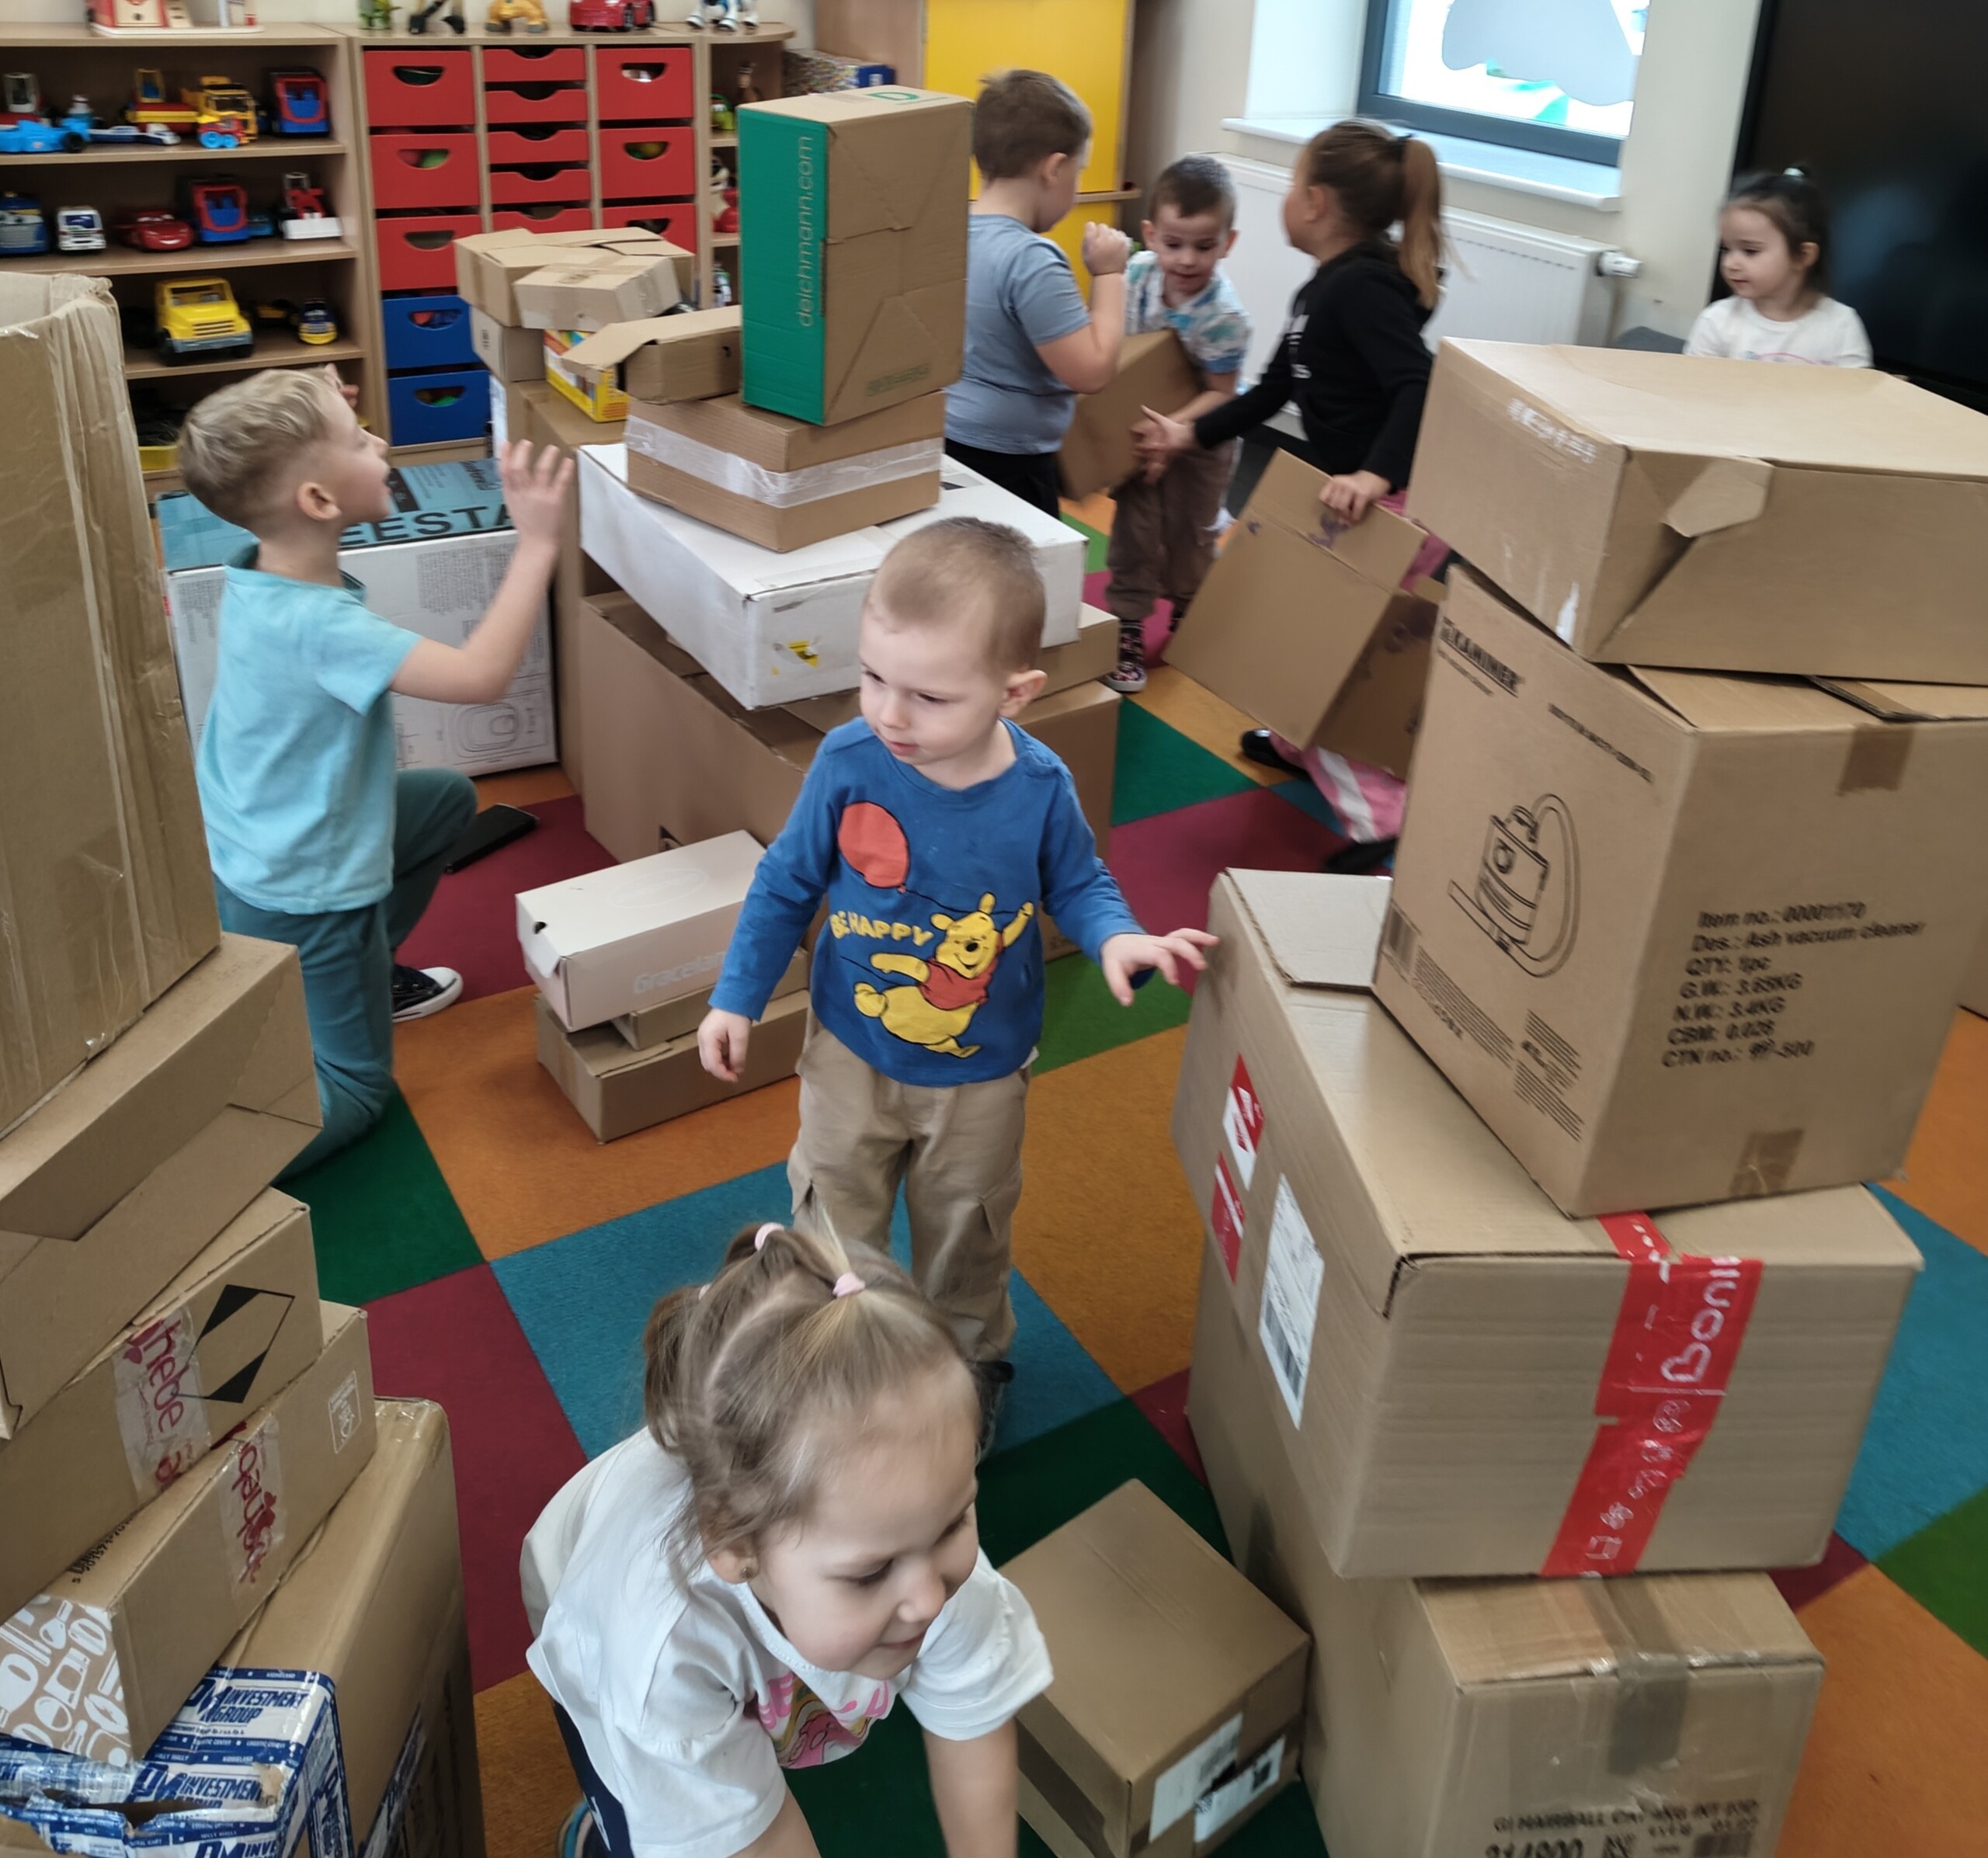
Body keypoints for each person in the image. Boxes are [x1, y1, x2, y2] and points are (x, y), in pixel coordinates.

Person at [697, 519, 1215, 1433]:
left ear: (1016, 692)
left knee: (965, 1230)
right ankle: (836, 1353)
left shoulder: (1039, 787)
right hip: (851, 1045)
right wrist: (736, 995)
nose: (890, 714)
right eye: (872, 677)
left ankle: (967, 1366)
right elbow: (784, 882)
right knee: (831, 1210)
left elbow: (1078, 883)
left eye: (929, 696)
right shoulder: (849, 760)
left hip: (980, 1072)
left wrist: (1116, 938)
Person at [523, 1221, 1053, 1858]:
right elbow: (758, 1843)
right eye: (870, 1572)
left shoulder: (906, 1524)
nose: (929, 1599)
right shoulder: (656, 1649)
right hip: (592, 1632)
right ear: (736, 1546)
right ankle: (602, 1832)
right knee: (654, 1806)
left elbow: (974, 1720)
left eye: (954, 1523)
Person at [178, 366, 572, 1176]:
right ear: (319, 500)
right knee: (357, 1088)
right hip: (305, 888)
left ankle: (356, 973)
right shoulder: (321, 626)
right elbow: (481, 677)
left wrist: (317, 413)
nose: (381, 442)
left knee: (444, 800)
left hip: (250, 852)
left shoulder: (260, 565)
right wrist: (536, 543)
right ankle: (194, 1175)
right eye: (360, 440)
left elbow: (282, 469)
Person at [944, 69, 1133, 516]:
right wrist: (1110, 274)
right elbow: (1091, 372)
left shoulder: (950, 234)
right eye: (1078, 173)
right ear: (1054, 169)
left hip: (948, 442)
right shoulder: (1030, 259)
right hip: (1010, 464)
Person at [1100, 155, 1253, 695]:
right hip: (1143, 431)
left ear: (1228, 242)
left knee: (1192, 532)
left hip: (1203, 439)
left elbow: (1221, 394)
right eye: (1174, 243)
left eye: (1204, 246)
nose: (1187, 259)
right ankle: (1128, 626)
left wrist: (1175, 430)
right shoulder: (1137, 274)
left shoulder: (1225, 316)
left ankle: (1191, 613)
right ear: (1150, 235)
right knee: (1135, 530)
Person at [1685, 169, 1871, 366]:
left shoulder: (1842, 326)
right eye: (1726, 249)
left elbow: (1857, 386)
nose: (1730, 264)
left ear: (1802, 256)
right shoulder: (1717, 321)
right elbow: (1693, 381)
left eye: (1750, 251)